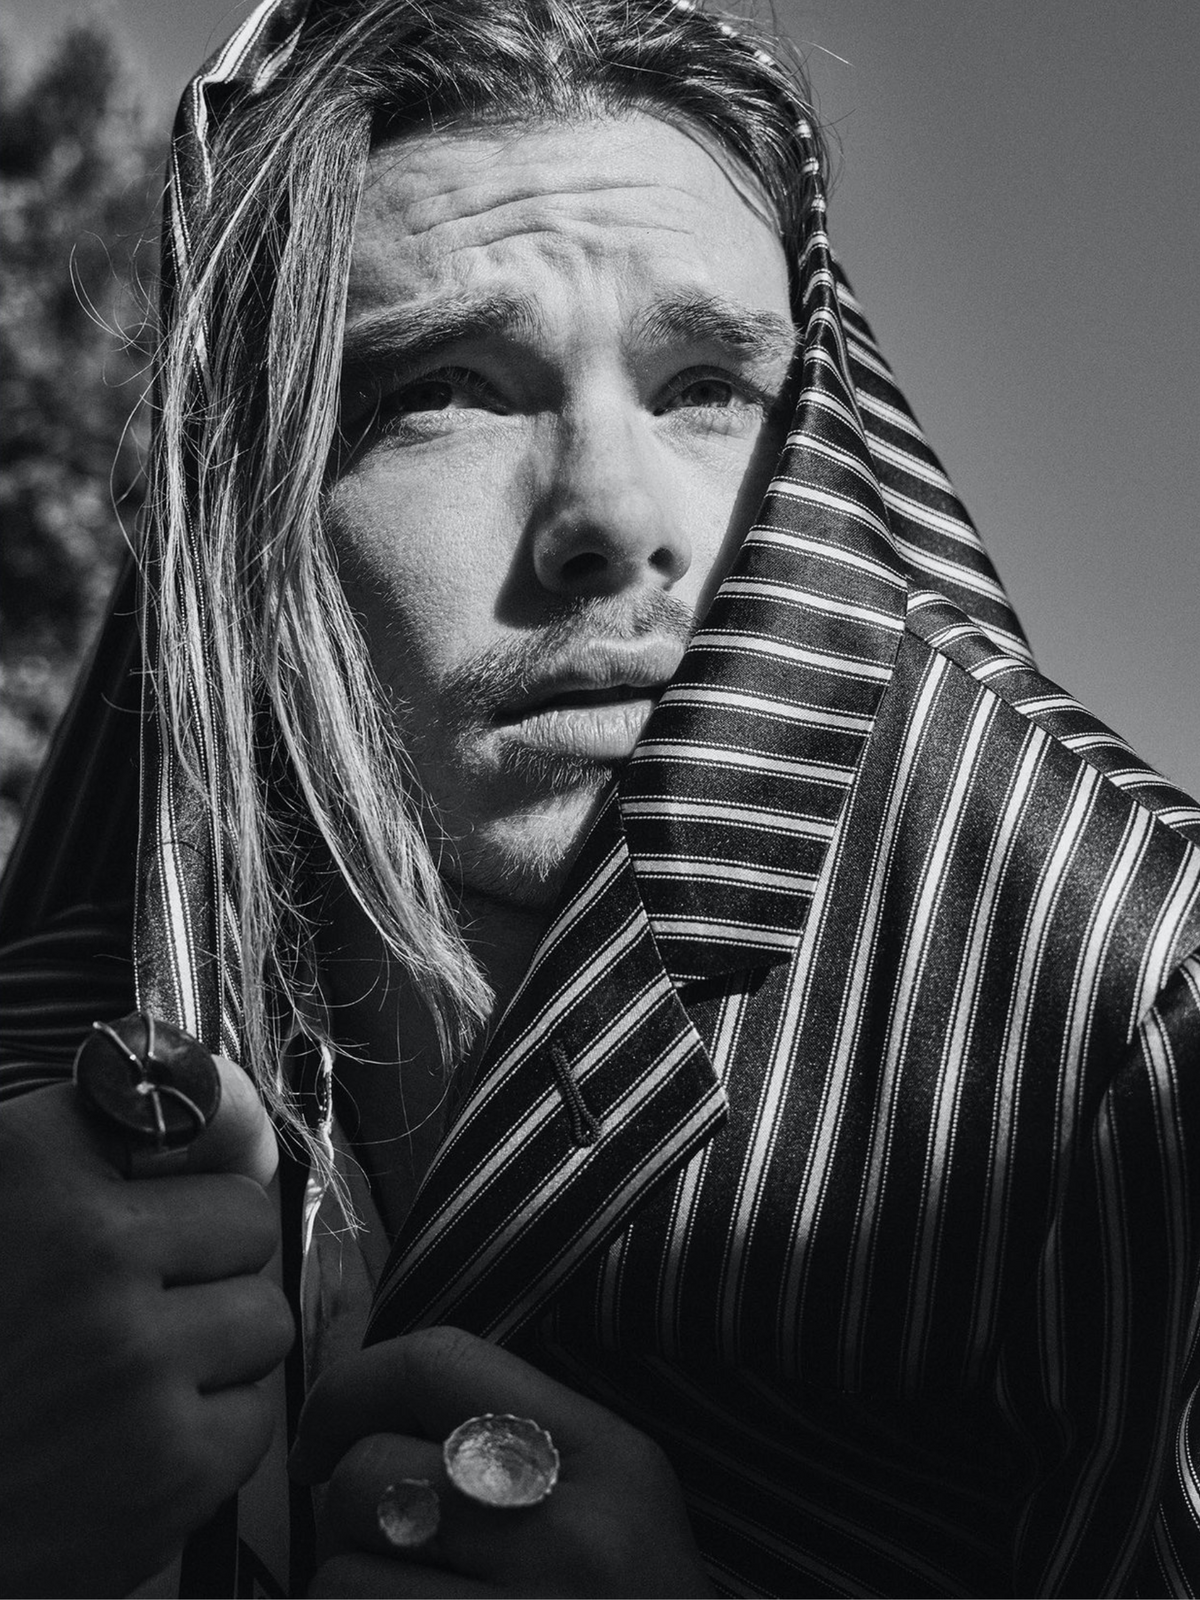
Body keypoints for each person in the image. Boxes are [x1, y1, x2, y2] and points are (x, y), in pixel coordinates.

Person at [1, 0, 1199, 1594]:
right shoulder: (38, 1093)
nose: (617, 518)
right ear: (240, 522)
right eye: (448, 389)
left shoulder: (1121, 1031)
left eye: (707, 384)